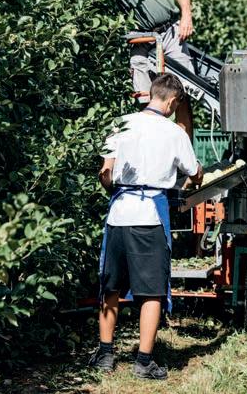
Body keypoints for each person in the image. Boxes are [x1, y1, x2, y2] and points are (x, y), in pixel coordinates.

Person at [89, 74, 203, 379]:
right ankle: (143, 361)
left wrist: (119, 187)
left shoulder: (120, 123)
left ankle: (105, 354)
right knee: (152, 292)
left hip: (118, 215)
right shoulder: (174, 132)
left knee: (111, 286)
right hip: (149, 217)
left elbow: (105, 173)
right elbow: (194, 172)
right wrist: (195, 178)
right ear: (173, 101)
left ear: (152, 94)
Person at [110, 0, 195, 139]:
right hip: (138, 38)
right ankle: (152, 147)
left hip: (169, 31)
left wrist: (186, 14)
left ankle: (185, 150)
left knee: (181, 95)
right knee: (145, 100)